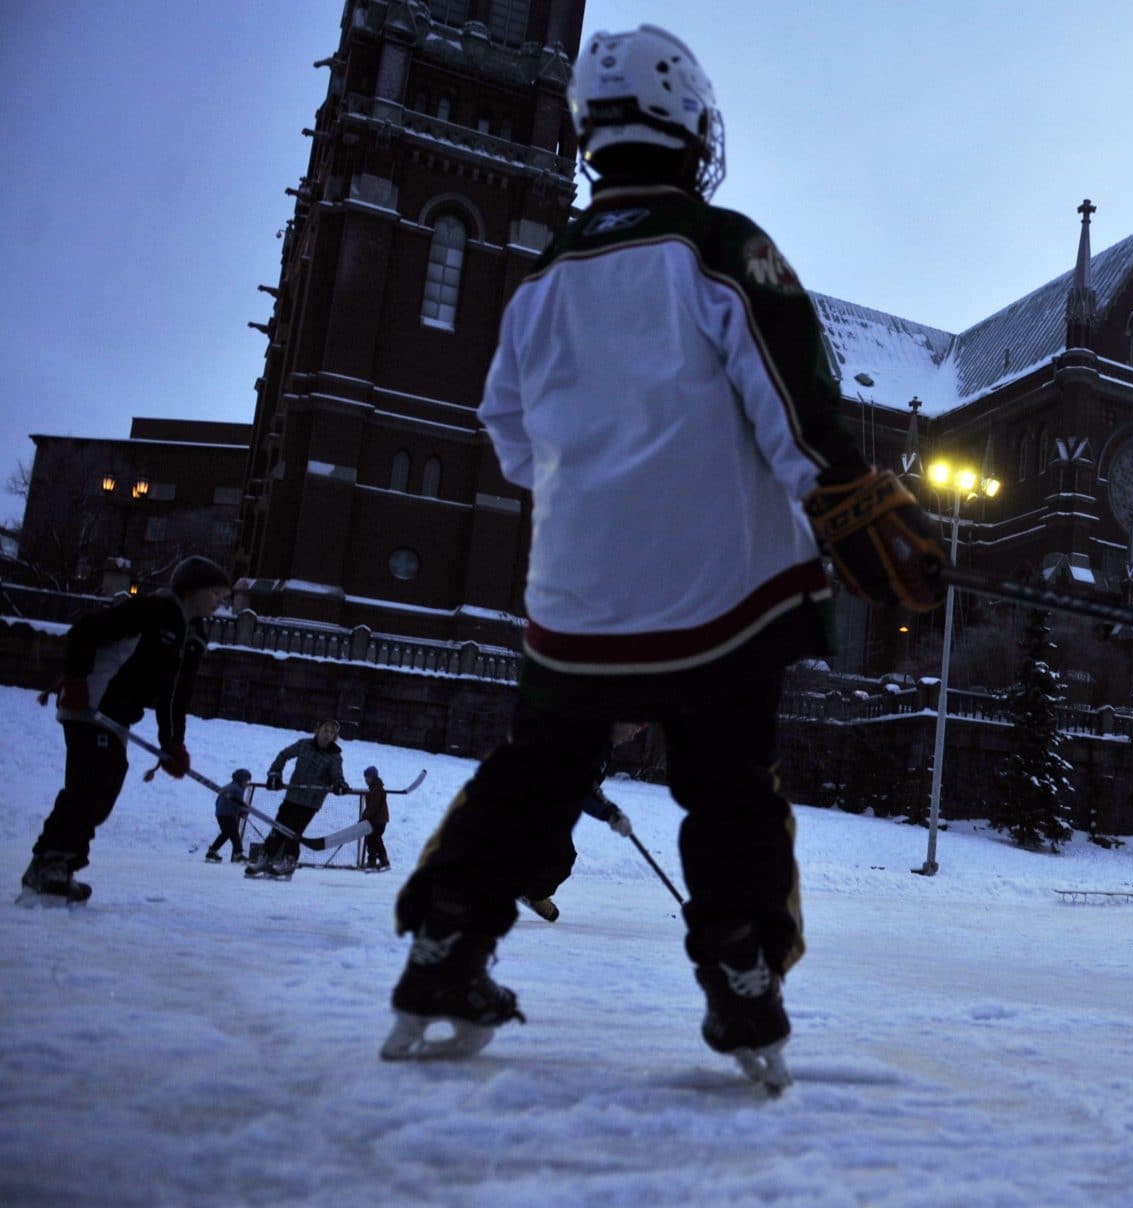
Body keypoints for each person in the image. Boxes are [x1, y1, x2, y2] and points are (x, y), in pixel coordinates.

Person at [381, 23, 946, 1083]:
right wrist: (858, 510)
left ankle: (446, 941)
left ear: (592, 136)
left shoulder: (541, 276)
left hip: (575, 601)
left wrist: (597, 482)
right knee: (728, 786)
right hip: (718, 590)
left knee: (534, 773)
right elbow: (794, 405)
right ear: (691, 127)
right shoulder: (723, 246)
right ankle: (741, 975)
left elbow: (507, 432)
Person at [19, 556, 233, 903]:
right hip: (91, 703)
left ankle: (61, 865)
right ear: (192, 589)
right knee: (91, 784)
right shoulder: (153, 610)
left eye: (223, 597)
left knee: (104, 789)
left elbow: (176, 696)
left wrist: (173, 744)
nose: (219, 603)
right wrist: (76, 680)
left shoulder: (193, 636)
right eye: (215, 594)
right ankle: (51, 862)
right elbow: (85, 631)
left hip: (117, 717)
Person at [519, 728, 642, 923]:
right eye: (634, 727)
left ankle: (531, 892)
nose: (633, 735)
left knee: (562, 859)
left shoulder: (603, 749)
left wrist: (610, 812)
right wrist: (608, 812)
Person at [251, 720, 347, 881]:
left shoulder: (334, 757)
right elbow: (283, 755)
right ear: (317, 730)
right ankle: (265, 859)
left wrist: (340, 785)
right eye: (325, 730)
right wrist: (275, 774)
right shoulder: (304, 745)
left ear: (334, 737)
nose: (328, 735)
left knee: (293, 832)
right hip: (292, 796)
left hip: (310, 802)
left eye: (332, 733)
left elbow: (337, 777)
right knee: (278, 829)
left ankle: (289, 862)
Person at [206, 768, 254, 863]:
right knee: (233, 834)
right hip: (228, 814)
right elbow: (238, 803)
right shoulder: (237, 789)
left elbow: (219, 801)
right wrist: (242, 813)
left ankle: (212, 852)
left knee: (227, 833)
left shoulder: (228, 786)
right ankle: (238, 854)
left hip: (220, 813)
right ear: (240, 779)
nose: (247, 783)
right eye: (246, 780)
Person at [359, 767, 391, 872]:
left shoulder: (376, 789)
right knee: (376, 840)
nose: (366, 780)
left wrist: (365, 816)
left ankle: (373, 862)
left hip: (378, 820)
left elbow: (373, 806)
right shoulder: (375, 787)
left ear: (372, 777)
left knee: (373, 840)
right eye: (365, 777)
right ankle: (382, 862)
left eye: (367, 777)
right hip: (378, 819)